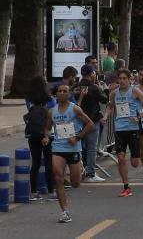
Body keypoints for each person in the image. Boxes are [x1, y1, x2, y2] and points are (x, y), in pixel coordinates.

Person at [45, 84, 94, 223]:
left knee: (75, 183)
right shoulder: (52, 111)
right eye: (59, 91)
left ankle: (81, 167)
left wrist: (77, 137)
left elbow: (90, 124)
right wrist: (46, 137)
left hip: (73, 149)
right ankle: (65, 211)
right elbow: (47, 128)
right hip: (58, 148)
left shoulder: (75, 109)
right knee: (58, 178)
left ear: (69, 94)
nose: (61, 93)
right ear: (56, 94)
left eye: (64, 91)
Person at [103, 69, 143, 197]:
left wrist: (139, 117)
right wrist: (105, 116)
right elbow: (110, 106)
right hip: (119, 129)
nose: (123, 81)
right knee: (120, 158)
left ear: (129, 79)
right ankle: (126, 187)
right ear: (118, 80)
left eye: (125, 78)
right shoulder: (114, 93)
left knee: (135, 163)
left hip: (133, 129)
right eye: (120, 78)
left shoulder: (134, 91)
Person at [74, 64, 108, 182]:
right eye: (94, 73)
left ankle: (79, 171)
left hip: (78, 122)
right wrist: (103, 89)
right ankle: (90, 173)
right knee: (91, 148)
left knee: (79, 148)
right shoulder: (94, 88)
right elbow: (104, 99)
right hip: (92, 121)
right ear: (91, 74)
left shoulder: (76, 86)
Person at [25, 76, 56, 201]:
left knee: (36, 162)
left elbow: (30, 114)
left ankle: (33, 192)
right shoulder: (51, 100)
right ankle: (52, 191)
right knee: (49, 161)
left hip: (33, 134)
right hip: (48, 133)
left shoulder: (29, 99)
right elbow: (51, 117)